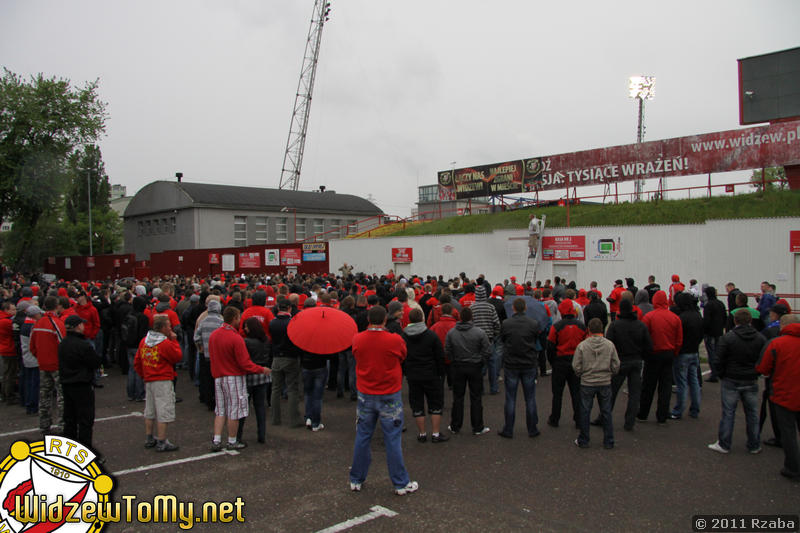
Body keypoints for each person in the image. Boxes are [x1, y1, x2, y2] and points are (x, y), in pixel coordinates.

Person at [349, 305, 418, 495]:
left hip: (366, 393)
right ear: (385, 320)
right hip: (389, 393)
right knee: (392, 439)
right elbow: (402, 356)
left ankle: (356, 478)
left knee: (363, 436)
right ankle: (400, 483)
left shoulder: (358, 339)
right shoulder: (394, 340)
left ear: (369, 320)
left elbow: (356, 355)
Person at [209, 306, 271, 451]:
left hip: (219, 376)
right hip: (234, 377)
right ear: (234, 318)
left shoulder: (214, 335)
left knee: (220, 410)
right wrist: (261, 369)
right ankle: (232, 440)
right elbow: (245, 363)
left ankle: (217, 439)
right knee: (234, 411)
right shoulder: (236, 338)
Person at [707, 309, 767, 455]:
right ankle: (754, 444)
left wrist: (721, 374)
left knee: (728, 412)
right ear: (750, 321)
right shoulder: (760, 338)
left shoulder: (728, 338)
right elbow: (763, 359)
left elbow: (718, 359)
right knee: (752, 413)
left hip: (732, 379)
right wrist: (756, 372)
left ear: (735, 321)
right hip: (750, 379)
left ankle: (724, 443)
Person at [755, 314, 800, 480]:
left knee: (788, 432)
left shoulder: (777, 343)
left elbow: (763, 368)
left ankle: (793, 467)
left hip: (783, 393)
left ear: (782, 326)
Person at [598, 299, 652, 431]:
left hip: (620, 361)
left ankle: (604, 417)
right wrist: (642, 357)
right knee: (634, 394)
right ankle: (630, 422)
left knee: (611, 392)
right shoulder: (640, 325)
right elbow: (648, 346)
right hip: (636, 361)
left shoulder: (615, 325)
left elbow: (609, 345)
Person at [135, 314, 183, 452]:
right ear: (162, 328)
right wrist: (174, 340)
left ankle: (149, 437)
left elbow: (138, 361)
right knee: (163, 410)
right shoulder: (165, 343)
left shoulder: (144, 341)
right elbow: (177, 357)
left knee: (149, 410)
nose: (170, 328)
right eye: (168, 326)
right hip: (162, 379)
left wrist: (144, 374)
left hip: (149, 379)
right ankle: (162, 440)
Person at [402, 308, 448, 443]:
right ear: (422, 318)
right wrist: (441, 372)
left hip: (413, 374)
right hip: (431, 373)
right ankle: (435, 433)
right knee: (435, 403)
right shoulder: (431, 335)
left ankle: (422, 433)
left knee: (417, 404)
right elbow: (440, 355)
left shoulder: (404, 336)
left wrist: (406, 371)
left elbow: (402, 355)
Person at [573, 318, 620, 449]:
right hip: (604, 381)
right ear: (602, 329)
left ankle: (584, 439)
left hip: (587, 382)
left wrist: (581, 374)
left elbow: (576, 365)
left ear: (588, 329)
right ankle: (609, 440)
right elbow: (616, 364)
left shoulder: (582, 345)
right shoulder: (609, 345)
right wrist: (610, 373)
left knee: (585, 411)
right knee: (606, 411)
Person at [498, 298, 541, 438]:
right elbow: (536, 340)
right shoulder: (534, 323)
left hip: (512, 363)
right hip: (528, 363)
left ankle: (508, 429)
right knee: (530, 398)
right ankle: (532, 428)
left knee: (510, 398)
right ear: (525, 308)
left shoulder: (506, 323)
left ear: (514, 309)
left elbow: (503, 339)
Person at [445, 307, 491, 435]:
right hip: (474, 366)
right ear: (472, 317)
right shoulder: (479, 332)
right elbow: (487, 350)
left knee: (458, 397)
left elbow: (447, 350)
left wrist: (454, 361)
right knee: (476, 397)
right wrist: (481, 361)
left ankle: (455, 425)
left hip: (458, 366)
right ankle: (477, 426)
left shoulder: (452, 332)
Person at [638, 291, 682, 425]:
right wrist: (674, 353)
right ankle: (662, 415)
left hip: (653, 354)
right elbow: (679, 340)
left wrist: (645, 353)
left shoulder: (649, 317)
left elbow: (644, 337)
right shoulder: (675, 318)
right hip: (669, 354)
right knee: (665, 386)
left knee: (648, 386)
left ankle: (643, 414)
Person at [58, 315, 101, 452]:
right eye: (81, 324)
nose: (83, 326)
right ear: (78, 327)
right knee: (85, 420)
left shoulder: (63, 343)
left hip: (67, 383)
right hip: (82, 384)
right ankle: (84, 449)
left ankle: (68, 449)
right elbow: (94, 362)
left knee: (70, 418)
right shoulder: (83, 345)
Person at [547, 299, 587, 428]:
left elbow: (551, 345)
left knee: (557, 393)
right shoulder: (581, 326)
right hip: (575, 361)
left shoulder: (557, 326)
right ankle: (579, 419)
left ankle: (555, 418)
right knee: (576, 392)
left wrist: (553, 361)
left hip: (560, 361)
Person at [30, 296, 66, 435]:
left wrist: (40, 357)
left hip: (43, 363)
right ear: (57, 306)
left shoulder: (38, 323)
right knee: (61, 397)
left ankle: (44, 424)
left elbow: (32, 346)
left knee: (44, 395)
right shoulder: (56, 323)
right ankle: (62, 425)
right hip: (56, 364)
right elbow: (62, 344)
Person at [269, 298, 303, 427]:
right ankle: (294, 420)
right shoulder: (292, 323)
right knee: (292, 389)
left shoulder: (272, 323)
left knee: (275, 389)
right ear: (289, 308)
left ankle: (275, 418)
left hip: (277, 357)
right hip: (291, 357)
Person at [237, 317, 271, 443]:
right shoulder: (266, 340)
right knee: (260, 407)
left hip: (250, 374)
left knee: (243, 407)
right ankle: (261, 434)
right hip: (263, 374)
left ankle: (238, 435)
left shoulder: (246, 342)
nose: (245, 329)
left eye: (246, 326)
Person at [671, 293, 704, 420]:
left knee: (682, 383)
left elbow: (677, 337)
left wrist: (676, 350)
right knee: (694, 381)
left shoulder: (681, 318)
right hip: (694, 351)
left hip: (683, 352)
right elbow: (702, 333)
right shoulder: (697, 315)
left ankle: (679, 410)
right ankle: (695, 409)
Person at [194, 299, 224, 410]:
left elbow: (196, 336)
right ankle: (217, 401)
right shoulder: (220, 321)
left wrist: (200, 345)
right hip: (217, 355)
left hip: (206, 354)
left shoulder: (203, 321)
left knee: (207, 378)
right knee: (217, 379)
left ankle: (208, 400)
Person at [702, 286, 727, 383]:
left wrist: (704, 329)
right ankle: (719, 370)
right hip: (719, 331)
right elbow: (725, 316)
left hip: (710, 332)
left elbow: (707, 320)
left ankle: (714, 373)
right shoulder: (720, 303)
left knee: (711, 353)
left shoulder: (708, 305)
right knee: (718, 352)